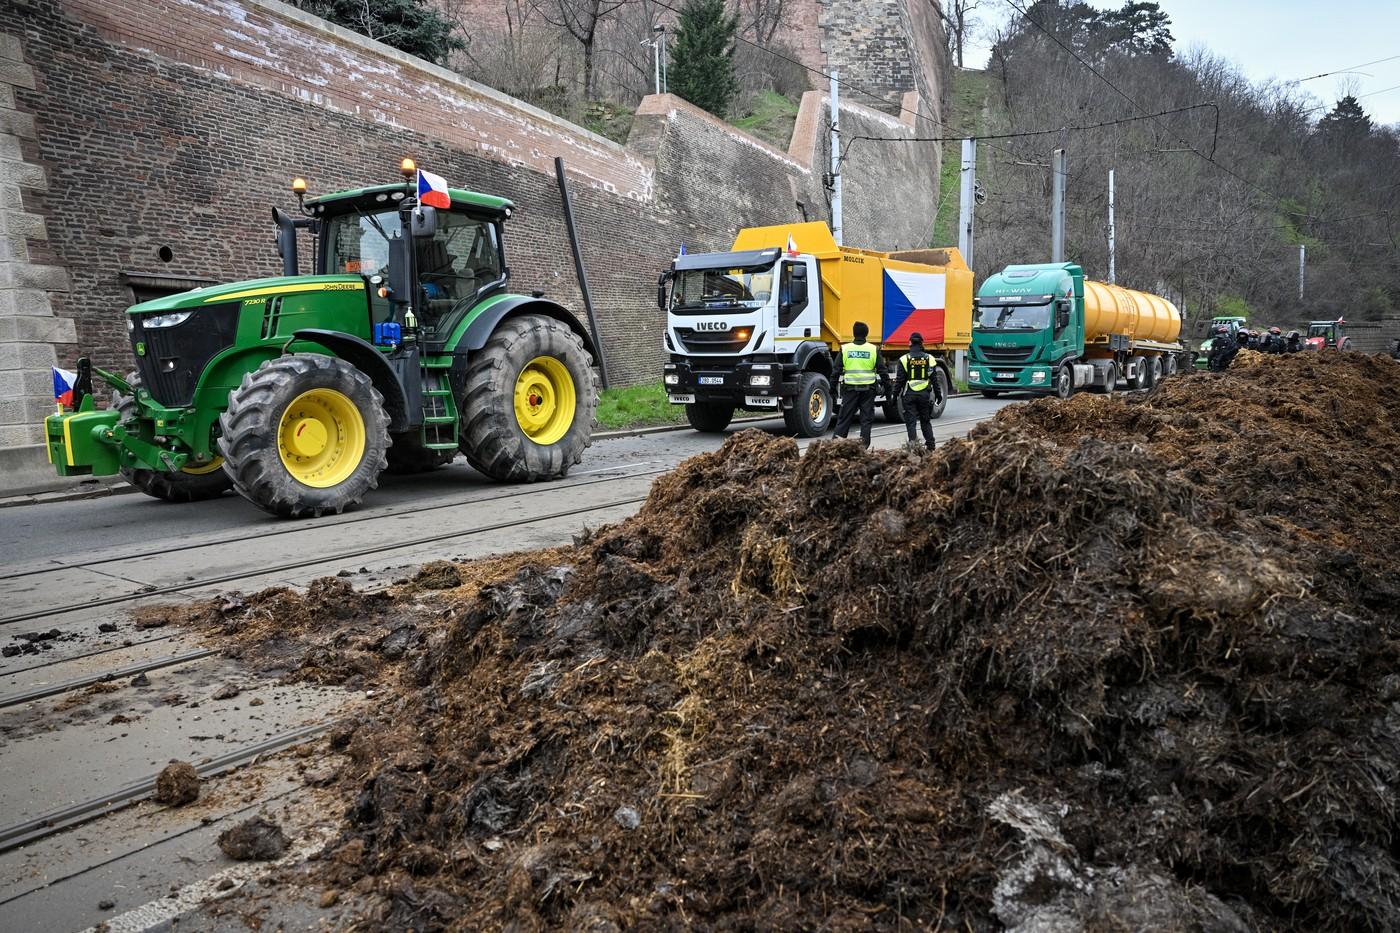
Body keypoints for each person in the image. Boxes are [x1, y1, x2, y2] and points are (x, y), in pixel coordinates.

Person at [832, 321, 887, 448]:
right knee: (866, 420)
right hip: (868, 391)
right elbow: (882, 371)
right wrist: (888, 390)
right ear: (866, 334)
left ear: (854, 333)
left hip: (850, 390)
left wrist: (832, 388)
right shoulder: (873, 349)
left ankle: (835, 446)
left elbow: (835, 371)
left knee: (844, 419)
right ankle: (863, 447)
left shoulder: (845, 349)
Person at [894, 332, 941, 453]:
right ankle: (931, 446)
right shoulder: (929, 358)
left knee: (911, 423)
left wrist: (894, 397)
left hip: (909, 395)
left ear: (910, 343)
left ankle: (914, 448)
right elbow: (934, 379)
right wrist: (938, 395)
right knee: (925, 421)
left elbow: (899, 381)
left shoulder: (904, 359)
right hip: (924, 395)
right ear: (922, 343)